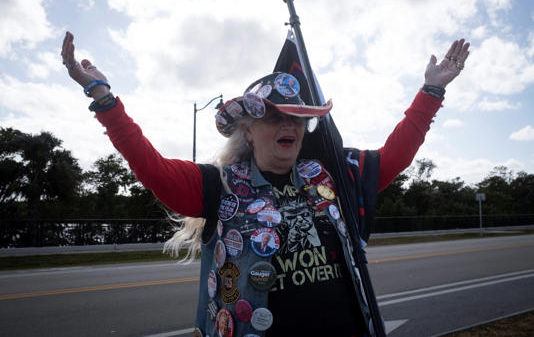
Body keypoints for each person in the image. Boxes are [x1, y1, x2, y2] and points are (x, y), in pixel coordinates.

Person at [61, 31, 470, 337]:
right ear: (249, 132)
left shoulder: (328, 177)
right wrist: (102, 96)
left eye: (296, 117)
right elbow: (150, 166)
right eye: (273, 116)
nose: (288, 124)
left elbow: (395, 157)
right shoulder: (217, 185)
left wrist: (432, 90)